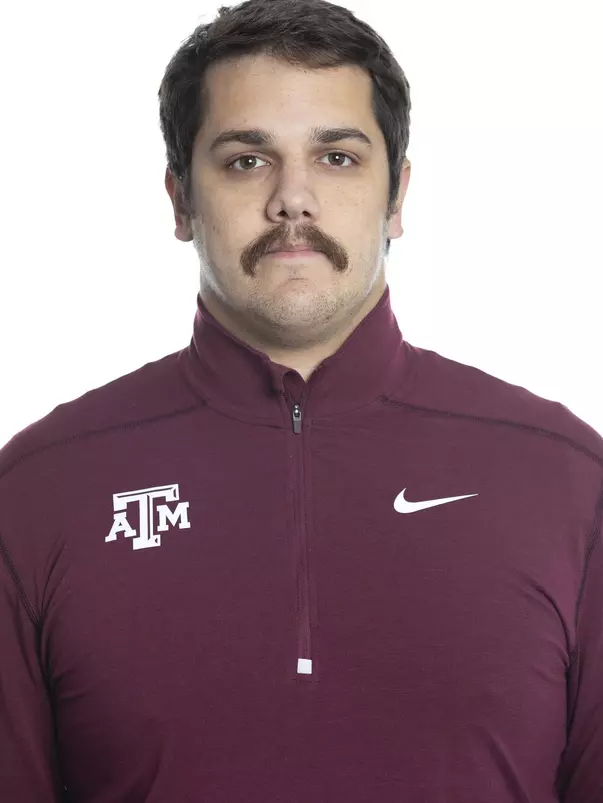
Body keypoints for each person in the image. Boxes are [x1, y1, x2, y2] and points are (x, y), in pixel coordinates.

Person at [0, 0, 601, 800]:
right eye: (246, 159)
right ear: (180, 199)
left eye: (338, 158)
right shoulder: (38, 491)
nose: (293, 199)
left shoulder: (564, 479)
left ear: (397, 195)